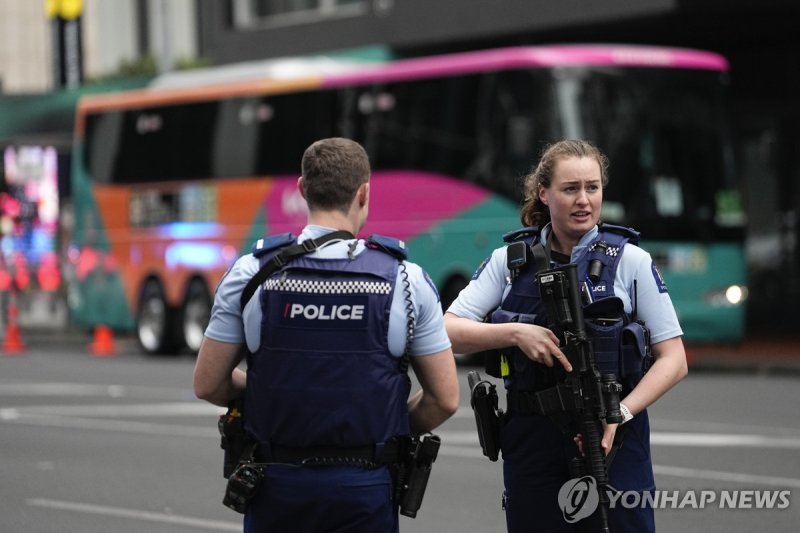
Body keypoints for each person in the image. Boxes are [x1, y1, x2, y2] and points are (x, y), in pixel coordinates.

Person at [194, 137, 459, 533]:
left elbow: (209, 384)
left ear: (302, 189)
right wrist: (380, 419)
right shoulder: (407, 280)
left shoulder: (251, 273)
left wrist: (278, 389)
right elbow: (445, 399)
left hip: (275, 484)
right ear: (364, 193)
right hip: (365, 486)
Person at [445, 139, 688, 533]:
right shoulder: (509, 261)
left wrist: (619, 414)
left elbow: (674, 360)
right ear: (543, 193)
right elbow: (448, 331)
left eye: (592, 187)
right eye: (570, 188)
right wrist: (515, 333)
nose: (584, 200)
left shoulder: (631, 261)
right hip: (533, 440)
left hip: (612, 437)